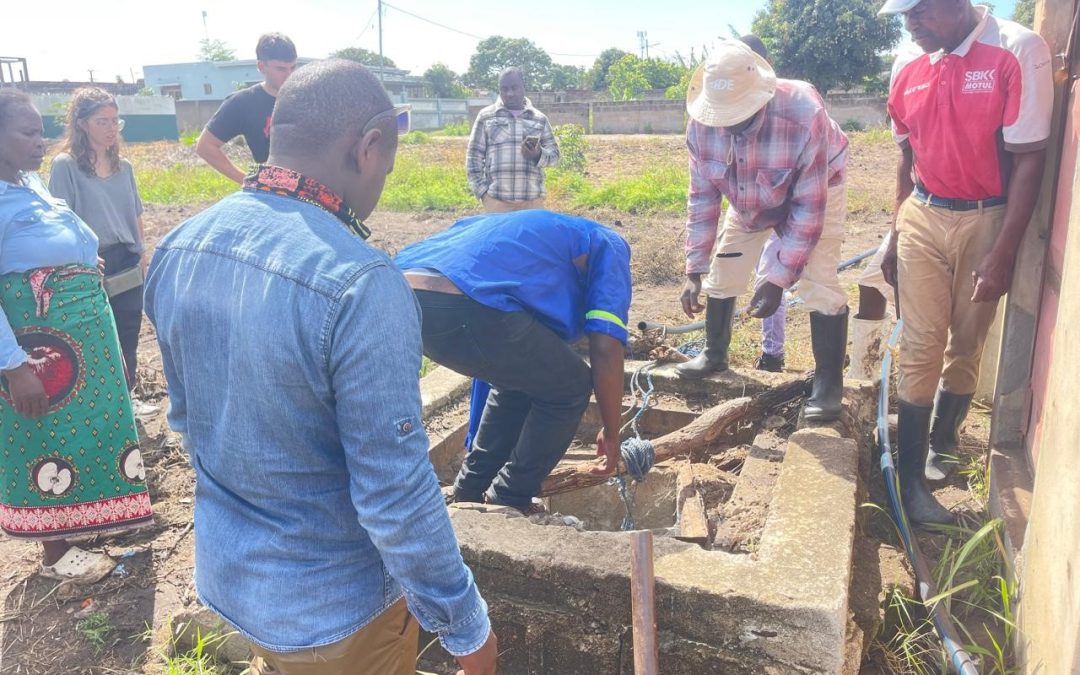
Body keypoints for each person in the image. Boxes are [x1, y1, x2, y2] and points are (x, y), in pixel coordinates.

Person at [144, 60, 497, 675]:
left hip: (232, 582)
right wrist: (466, 624)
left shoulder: (180, 245)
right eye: (386, 168)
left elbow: (189, 420)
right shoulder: (361, 282)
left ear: (278, 127)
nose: (381, 184)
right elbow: (394, 492)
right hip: (336, 612)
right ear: (368, 147)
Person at [877, 0, 1052, 523]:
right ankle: (911, 486)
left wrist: (1003, 253)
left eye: (921, 11)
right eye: (904, 15)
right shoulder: (907, 63)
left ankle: (944, 439)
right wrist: (894, 231)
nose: (910, 24)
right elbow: (905, 157)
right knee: (920, 344)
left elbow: (1029, 161)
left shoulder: (1017, 49)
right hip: (924, 216)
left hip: (987, 218)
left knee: (967, 340)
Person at [0, 89, 153, 583]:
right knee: (42, 433)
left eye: (38, 130)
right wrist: (14, 365)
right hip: (39, 349)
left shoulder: (27, 184)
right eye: (26, 133)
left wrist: (82, 260)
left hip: (81, 329)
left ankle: (88, 520)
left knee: (88, 430)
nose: (39, 141)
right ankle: (55, 554)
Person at [395, 210, 632, 512]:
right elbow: (606, 348)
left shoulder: (533, 235)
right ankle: (511, 495)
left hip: (404, 291)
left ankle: (469, 490)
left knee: (520, 380)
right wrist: (612, 434)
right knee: (569, 386)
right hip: (463, 297)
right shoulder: (609, 245)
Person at [677, 39, 851, 424]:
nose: (725, 123)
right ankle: (714, 352)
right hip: (749, 195)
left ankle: (828, 383)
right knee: (723, 274)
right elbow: (702, 199)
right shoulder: (700, 127)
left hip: (816, 185)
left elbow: (808, 210)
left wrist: (778, 279)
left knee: (817, 282)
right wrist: (694, 269)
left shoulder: (803, 113)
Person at [48, 87, 155, 415]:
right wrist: (78, 260)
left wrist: (141, 253)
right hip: (90, 262)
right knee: (94, 337)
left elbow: (135, 213)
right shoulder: (65, 165)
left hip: (125, 259)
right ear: (81, 124)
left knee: (128, 332)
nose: (111, 128)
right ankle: (99, 404)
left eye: (115, 121)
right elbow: (61, 220)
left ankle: (129, 399)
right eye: (102, 121)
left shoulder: (124, 166)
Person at [195, 33, 298, 183]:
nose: (289, 75)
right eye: (281, 69)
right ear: (261, 66)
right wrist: (248, 181)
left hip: (317, 191)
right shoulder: (243, 103)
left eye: (293, 67)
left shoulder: (307, 97)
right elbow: (205, 146)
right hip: (275, 192)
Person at [466, 67, 560, 212]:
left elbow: (555, 157)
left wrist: (537, 155)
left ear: (524, 87)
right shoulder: (486, 117)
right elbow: (473, 158)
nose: (509, 93)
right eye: (504, 89)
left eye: (514, 88)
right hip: (497, 203)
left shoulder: (539, 119)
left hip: (532, 203)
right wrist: (484, 195)